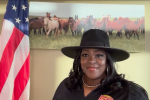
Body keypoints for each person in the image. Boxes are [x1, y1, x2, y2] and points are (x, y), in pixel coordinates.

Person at [52, 29, 149, 100]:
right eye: (85, 55)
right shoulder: (66, 86)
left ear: (107, 60)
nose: (91, 60)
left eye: (99, 55)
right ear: (79, 59)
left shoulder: (129, 93)